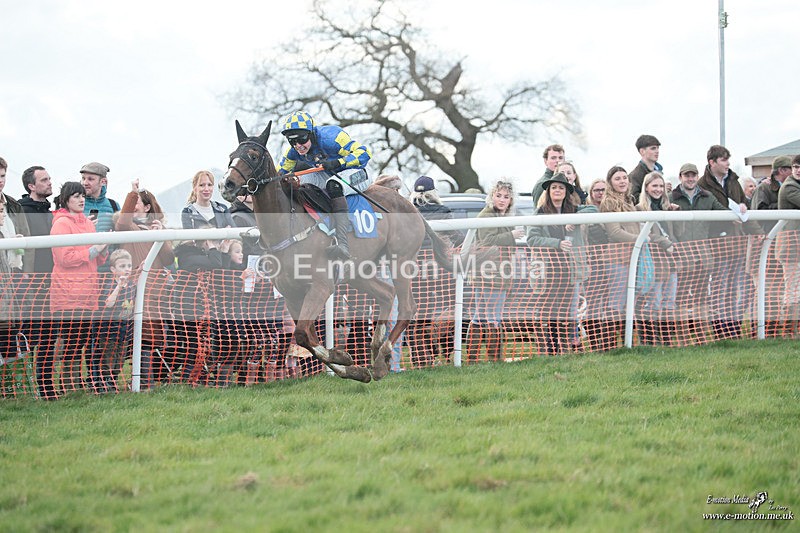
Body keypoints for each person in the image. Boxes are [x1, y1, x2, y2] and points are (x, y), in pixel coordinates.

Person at [277, 110, 372, 260]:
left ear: (311, 133)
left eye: (301, 139)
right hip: (327, 174)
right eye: (292, 141)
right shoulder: (293, 152)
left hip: (358, 172)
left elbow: (365, 153)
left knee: (334, 185)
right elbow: (280, 174)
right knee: (295, 182)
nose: (298, 146)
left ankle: (343, 243)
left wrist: (339, 162)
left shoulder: (331, 137)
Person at [698, 144, 763, 340]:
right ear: (712, 162)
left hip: (738, 241)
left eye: (728, 159)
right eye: (724, 160)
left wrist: (758, 232)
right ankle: (720, 329)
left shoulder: (734, 180)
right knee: (720, 286)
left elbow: (744, 209)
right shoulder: (702, 184)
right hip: (716, 242)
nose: (728, 163)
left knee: (735, 287)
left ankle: (733, 328)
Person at [114, 179, 175, 385]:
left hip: (153, 292)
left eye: (137, 202)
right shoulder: (128, 226)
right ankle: (112, 380)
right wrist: (132, 195)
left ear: (147, 207)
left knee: (150, 338)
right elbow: (122, 222)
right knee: (126, 338)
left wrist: (161, 236)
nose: (134, 206)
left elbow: (168, 259)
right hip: (130, 291)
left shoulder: (157, 229)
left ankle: (145, 381)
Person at [49, 182, 108, 393]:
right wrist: (94, 251)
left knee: (81, 340)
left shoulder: (89, 223)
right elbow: (64, 258)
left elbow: (96, 260)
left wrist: (103, 249)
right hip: (68, 293)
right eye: (76, 196)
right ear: (66, 200)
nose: (81, 200)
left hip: (88, 291)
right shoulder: (61, 224)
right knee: (71, 341)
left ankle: (74, 380)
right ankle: (67, 381)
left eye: (82, 196)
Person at [526, 172, 595, 354]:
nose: (557, 190)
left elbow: (593, 210)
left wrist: (573, 219)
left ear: (566, 192)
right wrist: (556, 244)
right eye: (554, 187)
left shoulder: (573, 210)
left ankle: (563, 350)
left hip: (569, 271)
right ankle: (547, 350)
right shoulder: (540, 212)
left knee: (566, 312)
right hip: (548, 272)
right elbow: (532, 239)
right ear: (548, 191)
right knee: (547, 312)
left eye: (561, 188)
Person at [465, 179, 525, 363]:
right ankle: (494, 359)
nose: (502, 199)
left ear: (511, 200)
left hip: (494, 272)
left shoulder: (503, 216)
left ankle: (473, 359)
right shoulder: (487, 215)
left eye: (506, 197)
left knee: (480, 316)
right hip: (490, 273)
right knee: (492, 316)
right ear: (491, 196)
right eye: (498, 195)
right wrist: (512, 236)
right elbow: (488, 240)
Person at [670, 163, 728, 344]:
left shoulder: (707, 196)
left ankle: (702, 336)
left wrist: (740, 210)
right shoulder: (672, 197)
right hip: (681, 255)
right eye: (687, 175)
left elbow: (723, 214)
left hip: (703, 255)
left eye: (693, 175)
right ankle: (682, 337)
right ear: (680, 177)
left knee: (701, 295)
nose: (690, 178)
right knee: (680, 297)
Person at [407, 175, 462, 367]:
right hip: (440, 269)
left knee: (420, 316)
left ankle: (422, 359)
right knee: (450, 310)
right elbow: (459, 237)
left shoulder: (408, 213)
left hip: (414, 271)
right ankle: (448, 355)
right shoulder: (443, 211)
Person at [18, 166, 56, 398]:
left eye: (49, 178)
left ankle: (45, 387)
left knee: (48, 338)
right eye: (44, 180)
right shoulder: (22, 211)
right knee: (31, 337)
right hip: (31, 284)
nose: (50, 182)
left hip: (52, 282)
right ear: (31, 186)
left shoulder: (50, 213)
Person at [635, 172, 680, 345]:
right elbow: (645, 234)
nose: (658, 189)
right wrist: (664, 242)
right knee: (654, 301)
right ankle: (649, 341)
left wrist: (676, 214)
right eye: (654, 186)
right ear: (646, 187)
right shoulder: (639, 209)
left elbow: (678, 233)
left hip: (670, 260)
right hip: (652, 260)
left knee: (669, 301)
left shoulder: (667, 207)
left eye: (661, 186)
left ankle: (667, 340)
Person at [599, 166, 641, 347]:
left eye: (625, 177)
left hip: (632, 257)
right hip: (617, 259)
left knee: (629, 302)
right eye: (618, 178)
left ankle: (627, 343)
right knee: (616, 302)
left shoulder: (630, 201)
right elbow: (615, 232)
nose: (623, 181)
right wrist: (640, 240)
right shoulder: (608, 203)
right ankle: (610, 344)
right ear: (610, 183)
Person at [98, 249, 136, 392]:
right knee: (108, 358)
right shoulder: (110, 285)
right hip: (109, 331)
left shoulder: (132, 285)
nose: (126, 269)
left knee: (120, 360)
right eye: (122, 266)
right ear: (113, 269)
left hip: (124, 330)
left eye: (129, 266)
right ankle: (105, 382)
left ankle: (113, 379)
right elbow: (108, 303)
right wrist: (118, 287)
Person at [776, 154, 800, 336]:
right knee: (792, 289)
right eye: (796, 166)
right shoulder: (790, 187)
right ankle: (788, 330)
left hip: (796, 246)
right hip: (791, 247)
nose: (798, 170)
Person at [751, 156, 793, 231]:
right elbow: (758, 213)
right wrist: (784, 204)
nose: (795, 171)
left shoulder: (793, 187)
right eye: (792, 169)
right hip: (769, 236)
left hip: (789, 235)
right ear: (781, 170)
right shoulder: (763, 188)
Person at [80, 162, 119, 234]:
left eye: (90, 179)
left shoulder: (114, 205)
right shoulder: (75, 204)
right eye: (83, 178)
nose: (85, 183)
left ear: (103, 182)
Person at [628, 134, 663, 203]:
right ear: (642, 151)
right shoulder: (635, 175)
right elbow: (634, 199)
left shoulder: (659, 171)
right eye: (653, 148)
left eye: (657, 148)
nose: (657, 151)